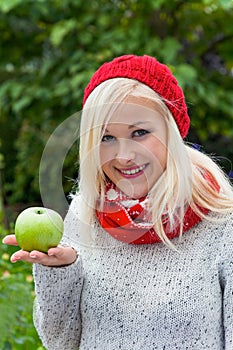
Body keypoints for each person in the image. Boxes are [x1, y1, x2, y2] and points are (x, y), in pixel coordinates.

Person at [3, 54, 233, 350]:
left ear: (171, 132)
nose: (123, 155)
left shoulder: (222, 220)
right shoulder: (84, 213)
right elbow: (60, 343)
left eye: (140, 133)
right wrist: (59, 271)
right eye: (107, 137)